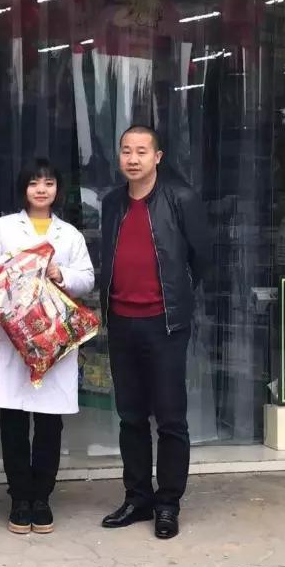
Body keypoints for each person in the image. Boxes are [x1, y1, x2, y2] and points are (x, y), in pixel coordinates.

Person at [99, 125, 211, 539]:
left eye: (141, 151)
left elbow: (202, 258)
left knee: (169, 418)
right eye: (126, 150)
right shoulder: (113, 203)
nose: (133, 159)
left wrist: (176, 297)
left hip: (164, 324)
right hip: (121, 322)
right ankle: (137, 498)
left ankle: (167, 503)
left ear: (157, 157)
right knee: (130, 417)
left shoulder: (181, 198)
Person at [0, 159, 95, 534]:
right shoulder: (1, 229)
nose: (41, 189)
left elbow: (88, 278)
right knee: (13, 422)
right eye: (33, 183)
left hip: (51, 339)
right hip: (12, 337)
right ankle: (19, 497)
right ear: (23, 188)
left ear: (58, 189)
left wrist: (62, 273)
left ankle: (41, 498)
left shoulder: (70, 235)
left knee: (49, 424)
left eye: (48, 182)